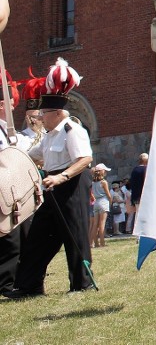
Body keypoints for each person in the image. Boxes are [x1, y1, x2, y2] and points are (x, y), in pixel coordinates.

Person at [7, 59, 95, 298]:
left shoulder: (72, 130)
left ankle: (81, 284)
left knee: (74, 234)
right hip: (52, 186)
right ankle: (29, 286)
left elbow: (85, 159)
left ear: (57, 113)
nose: (40, 118)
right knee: (38, 237)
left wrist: (61, 177)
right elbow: (31, 156)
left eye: (44, 113)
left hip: (71, 183)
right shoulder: (48, 136)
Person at [0, 73, 34, 296]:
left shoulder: (8, 129)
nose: (15, 105)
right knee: (9, 237)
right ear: (2, 104)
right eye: (11, 102)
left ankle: (20, 278)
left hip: (16, 186)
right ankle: (6, 283)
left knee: (22, 235)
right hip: (4, 188)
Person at [89, 163, 111, 248]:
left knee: (95, 224)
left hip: (96, 202)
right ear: (103, 172)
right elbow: (108, 194)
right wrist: (110, 201)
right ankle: (102, 242)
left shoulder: (93, 182)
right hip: (103, 202)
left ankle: (92, 243)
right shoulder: (103, 182)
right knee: (102, 224)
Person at [127, 153, 148, 233]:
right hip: (144, 195)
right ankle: (143, 231)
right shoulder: (146, 170)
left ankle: (137, 231)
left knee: (138, 214)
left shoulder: (134, 170)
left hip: (136, 196)